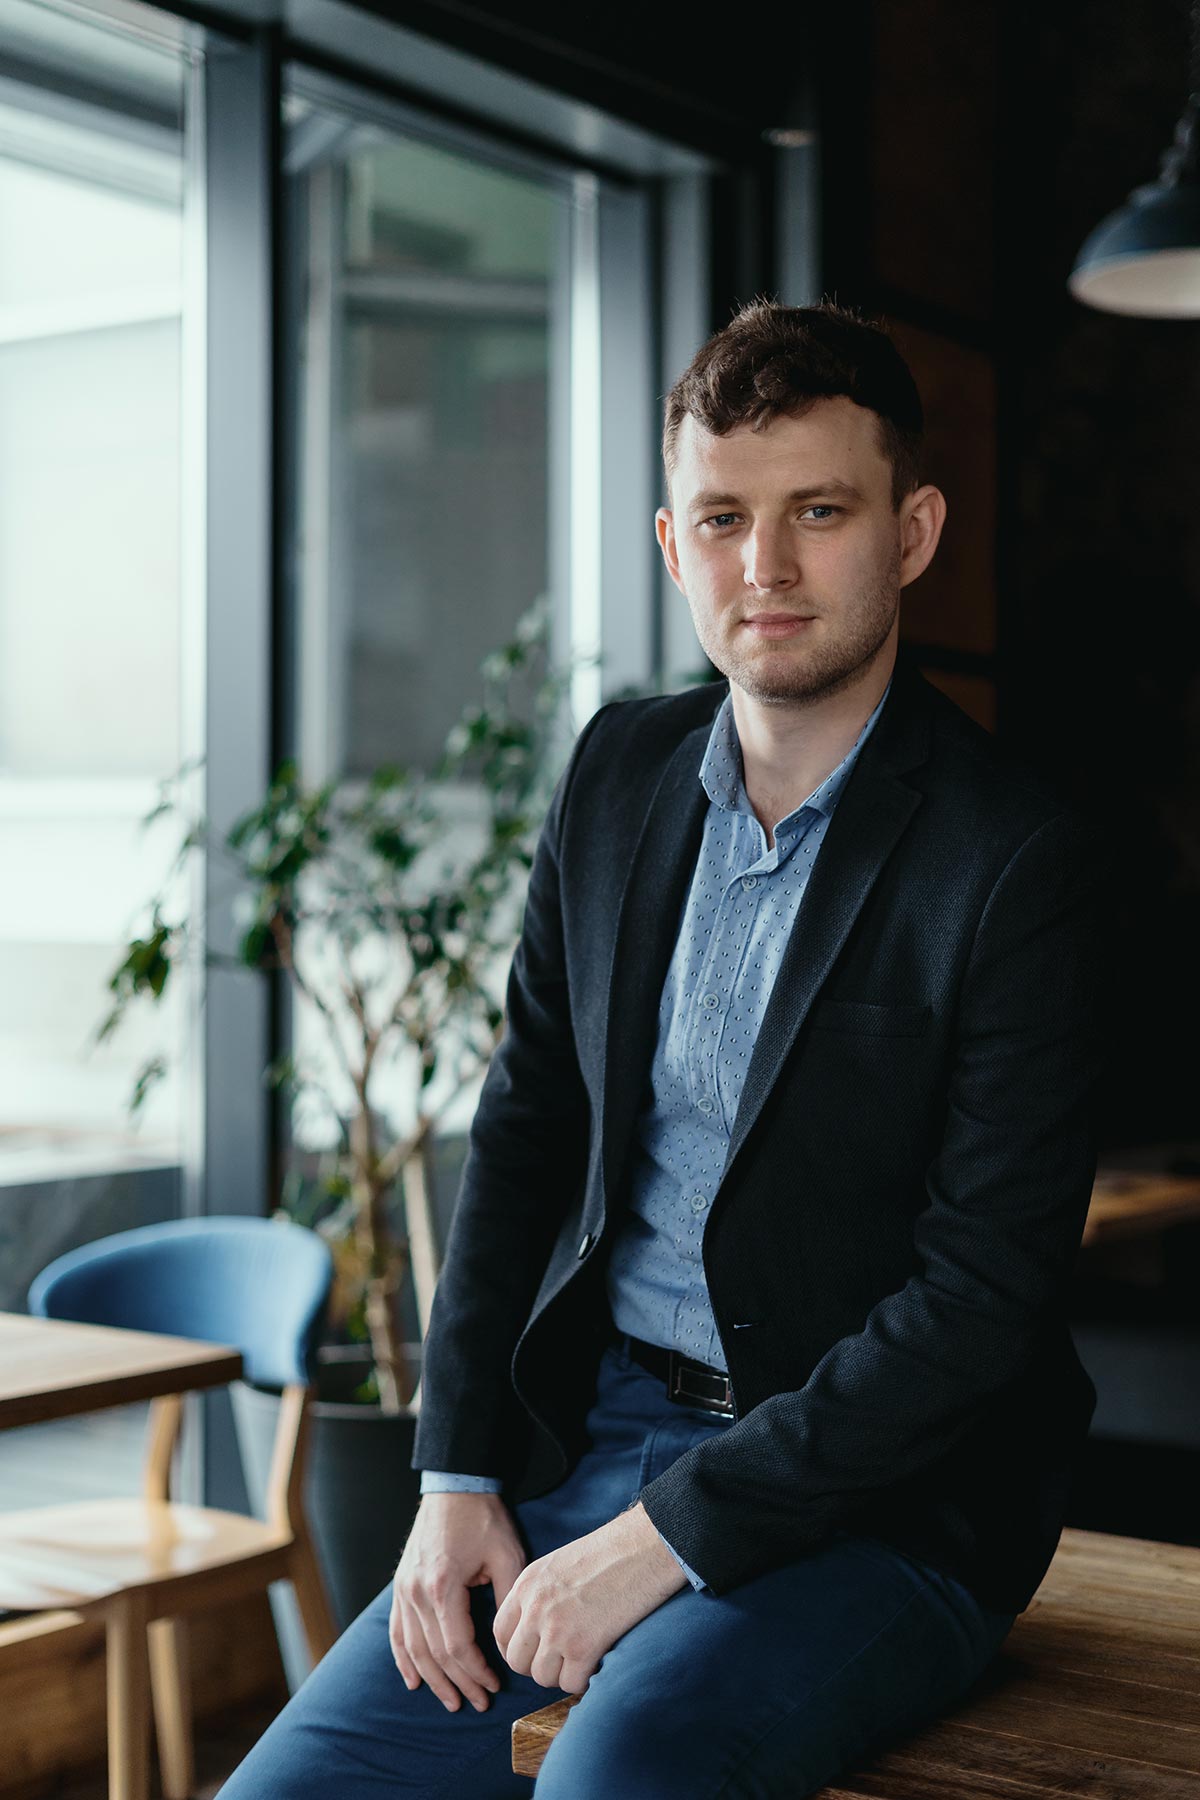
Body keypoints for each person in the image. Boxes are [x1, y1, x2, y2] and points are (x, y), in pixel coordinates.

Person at [220, 299, 1104, 1798]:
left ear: (912, 532)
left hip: (888, 1501)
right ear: (670, 543)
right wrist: (456, 1472)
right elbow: (525, 1127)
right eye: (722, 518)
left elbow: (980, 1302)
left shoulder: (1015, 857)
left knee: (607, 1779)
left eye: (819, 512)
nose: (765, 565)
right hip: (593, 1430)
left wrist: (663, 1542)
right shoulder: (618, 771)